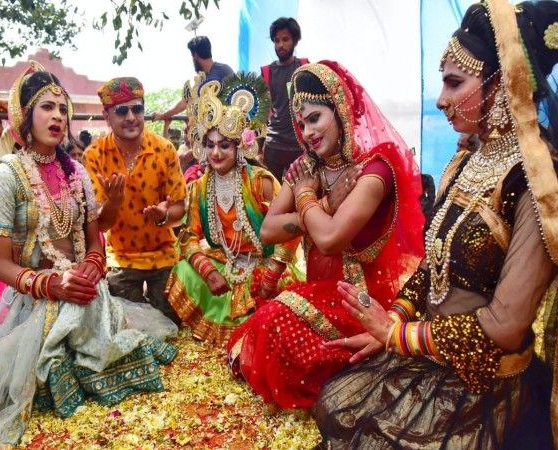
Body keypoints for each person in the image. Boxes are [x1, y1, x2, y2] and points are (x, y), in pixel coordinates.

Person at [314, 2, 558, 448]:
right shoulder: (468, 157)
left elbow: (505, 325)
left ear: (505, 81)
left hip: (484, 382)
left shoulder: (538, 182)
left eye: (454, 82)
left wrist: (399, 336)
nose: (441, 99)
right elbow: (434, 264)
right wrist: (393, 319)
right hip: (432, 353)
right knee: (336, 401)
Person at [0, 63, 178, 445]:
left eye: (63, 109)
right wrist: (53, 284)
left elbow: (94, 239)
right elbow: (3, 264)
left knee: (119, 343)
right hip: (34, 300)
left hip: (85, 288)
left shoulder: (74, 171)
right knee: (19, 373)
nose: (58, 116)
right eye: (47, 107)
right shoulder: (5, 175)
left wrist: (92, 266)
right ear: (24, 115)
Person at [227, 61, 425, 409]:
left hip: (359, 302)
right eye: (301, 124)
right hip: (317, 295)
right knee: (267, 323)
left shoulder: (375, 170)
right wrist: (324, 203)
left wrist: (305, 199)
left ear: (342, 110)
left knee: (275, 324)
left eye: (315, 118)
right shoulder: (306, 169)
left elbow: (331, 238)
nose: (307, 132)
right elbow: (268, 230)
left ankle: (355, 374)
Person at [166, 73, 300, 346]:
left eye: (224, 145)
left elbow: (293, 228)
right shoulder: (199, 188)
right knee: (182, 269)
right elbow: (189, 238)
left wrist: (271, 275)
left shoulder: (260, 182)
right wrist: (208, 272)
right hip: (225, 264)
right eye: (210, 145)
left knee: (277, 313)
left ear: (239, 146)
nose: (216, 152)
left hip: (264, 266)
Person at [83, 77, 186, 324]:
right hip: (120, 258)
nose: (130, 116)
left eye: (137, 108)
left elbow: (180, 210)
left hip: (163, 254)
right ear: (106, 116)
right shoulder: (94, 156)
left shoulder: (164, 149)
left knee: (173, 326)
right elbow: (101, 226)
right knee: (127, 328)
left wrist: (164, 216)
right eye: (121, 110)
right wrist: (114, 201)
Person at [261, 17, 309, 182]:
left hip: (300, 145)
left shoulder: (305, 66)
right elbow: (262, 112)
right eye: (276, 40)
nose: (280, 45)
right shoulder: (267, 72)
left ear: (295, 41)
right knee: (271, 196)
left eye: (285, 39)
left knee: (300, 194)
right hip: (273, 146)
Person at [152, 36, 234, 122]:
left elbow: (186, 102)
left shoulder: (221, 72)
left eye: (192, 56)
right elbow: (186, 101)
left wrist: (162, 116)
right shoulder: (207, 76)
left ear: (195, 55)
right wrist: (163, 115)